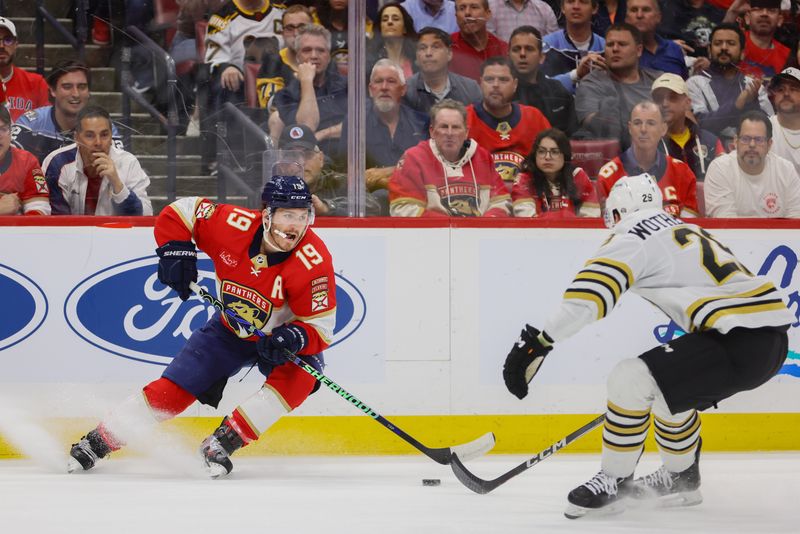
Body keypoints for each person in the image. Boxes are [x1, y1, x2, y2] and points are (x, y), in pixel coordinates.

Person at [502, 172, 792, 519]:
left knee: (630, 379)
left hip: (738, 339)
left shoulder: (633, 233)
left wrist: (540, 341)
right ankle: (681, 477)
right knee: (668, 388)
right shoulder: (684, 228)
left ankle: (615, 480)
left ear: (617, 214)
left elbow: (589, 297)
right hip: (767, 341)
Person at [67, 172, 337, 478]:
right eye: (288, 215)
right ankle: (99, 441)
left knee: (302, 376)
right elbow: (181, 211)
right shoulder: (231, 224)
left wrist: (293, 336)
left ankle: (223, 442)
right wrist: (175, 249)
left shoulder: (313, 261)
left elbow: (321, 327)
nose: (296, 226)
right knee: (173, 392)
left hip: (276, 341)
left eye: (304, 216)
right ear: (266, 215)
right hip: (228, 331)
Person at [389, 98, 510, 217]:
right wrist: (448, 228)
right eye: (444, 127)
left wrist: (484, 226)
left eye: (456, 127)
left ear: (466, 132)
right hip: (434, 235)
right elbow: (404, 208)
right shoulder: (414, 158)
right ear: (432, 131)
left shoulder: (483, 157)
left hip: (478, 234)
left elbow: (501, 203)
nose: (450, 133)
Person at [339, 59, 428, 196]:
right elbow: (349, 175)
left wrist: (385, 172)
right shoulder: (355, 123)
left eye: (391, 81)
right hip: (370, 201)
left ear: (403, 89)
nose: (384, 87)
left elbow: (428, 168)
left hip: (415, 196)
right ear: (370, 89)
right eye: (379, 81)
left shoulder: (420, 123)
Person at [43, 105, 152, 216]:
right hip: (71, 233)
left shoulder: (128, 163)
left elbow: (145, 215)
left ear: (111, 137)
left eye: (104, 135)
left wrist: (117, 184)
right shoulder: (57, 162)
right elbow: (56, 221)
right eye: (90, 136)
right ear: (76, 138)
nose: (98, 142)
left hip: (115, 232)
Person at [597, 101, 699, 217]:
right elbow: (602, 230)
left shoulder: (682, 173)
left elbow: (690, 225)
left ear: (663, 129)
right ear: (630, 128)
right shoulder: (608, 176)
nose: (643, 129)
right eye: (637, 123)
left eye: (651, 123)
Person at [12, 60, 124, 164]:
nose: (75, 94)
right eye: (67, 87)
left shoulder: (103, 126)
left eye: (82, 87)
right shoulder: (31, 122)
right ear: (52, 90)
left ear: (88, 91)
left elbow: (122, 168)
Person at [466, 56, 551, 188]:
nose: (495, 85)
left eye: (503, 80)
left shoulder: (534, 117)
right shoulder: (464, 119)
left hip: (528, 196)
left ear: (515, 84)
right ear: (481, 83)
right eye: (489, 79)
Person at [574, 23, 662, 150]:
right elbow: (593, 126)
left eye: (622, 44)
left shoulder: (658, 80)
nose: (615, 49)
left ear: (639, 50)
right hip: (618, 156)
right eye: (610, 45)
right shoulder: (592, 83)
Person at [704, 110, 800, 218]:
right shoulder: (720, 169)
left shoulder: (786, 170)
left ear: (769, 145)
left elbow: (796, 222)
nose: (752, 145)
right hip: (732, 234)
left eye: (759, 140)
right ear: (736, 141)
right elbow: (726, 224)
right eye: (745, 139)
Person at [686, 23, 774, 139]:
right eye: (718, 43)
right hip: (711, 152)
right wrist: (737, 106)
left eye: (731, 43)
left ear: (743, 53)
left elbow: (769, 127)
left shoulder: (753, 85)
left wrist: (753, 104)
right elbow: (698, 124)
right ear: (709, 50)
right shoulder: (694, 83)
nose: (724, 47)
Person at [271, 24, 348, 153]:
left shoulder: (348, 86)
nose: (314, 56)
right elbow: (307, 127)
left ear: (329, 57)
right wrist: (306, 82)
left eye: (321, 50)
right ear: (297, 57)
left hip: (348, 159)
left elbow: (360, 123)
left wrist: (322, 134)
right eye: (307, 50)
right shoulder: (286, 95)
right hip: (309, 163)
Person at [282, 123, 386, 216]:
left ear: (321, 159)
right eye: (293, 156)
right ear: (281, 164)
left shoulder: (339, 182)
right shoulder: (273, 189)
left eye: (307, 155)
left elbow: (372, 206)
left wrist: (327, 207)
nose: (301, 162)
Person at [511, 128, 600, 218]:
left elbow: (591, 217)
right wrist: (565, 217)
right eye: (542, 151)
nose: (547, 157)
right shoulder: (524, 179)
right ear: (535, 155)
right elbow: (526, 221)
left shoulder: (578, 176)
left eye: (554, 152)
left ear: (565, 155)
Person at [651, 73, 724, 181]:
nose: (665, 103)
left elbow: (725, 180)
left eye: (672, 97)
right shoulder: (647, 145)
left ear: (688, 103)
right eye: (659, 99)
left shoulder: (710, 142)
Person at [509, 25, 579, 135]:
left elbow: (575, 133)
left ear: (541, 57)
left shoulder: (557, 91)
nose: (522, 54)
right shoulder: (503, 93)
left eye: (529, 49)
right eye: (516, 49)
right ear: (509, 56)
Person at [403, 27, 482, 114]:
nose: (428, 53)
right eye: (423, 48)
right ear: (416, 57)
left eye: (435, 47)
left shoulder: (470, 89)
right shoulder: (405, 90)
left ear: (449, 54)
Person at [541, 0, 606, 94]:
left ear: (595, 8)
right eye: (570, 1)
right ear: (562, 8)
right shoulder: (547, 45)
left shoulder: (605, 47)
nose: (576, 6)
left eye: (583, 2)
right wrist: (576, 74)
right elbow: (540, 87)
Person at [256, 5, 314, 109]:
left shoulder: (324, 61)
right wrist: (305, 82)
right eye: (289, 28)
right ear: (282, 33)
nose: (296, 34)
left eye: (302, 27)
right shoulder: (272, 63)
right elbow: (273, 106)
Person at [0, 106, 49, 216]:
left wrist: (25, 228)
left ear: (11, 132)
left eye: (3, 129)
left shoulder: (26, 161)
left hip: (14, 231)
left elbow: (40, 206)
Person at [0, 17, 49, 121]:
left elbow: (46, 126)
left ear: (15, 45)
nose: (1, 46)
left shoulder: (36, 84)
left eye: (7, 40)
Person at [624, 0, 688, 78]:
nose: (639, 15)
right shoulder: (618, 51)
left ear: (658, 17)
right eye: (634, 10)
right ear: (626, 18)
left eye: (646, 10)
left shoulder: (674, 49)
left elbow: (683, 85)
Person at [450, 0, 509, 81]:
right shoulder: (446, 47)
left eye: (474, 7)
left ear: (487, 14)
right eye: (462, 8)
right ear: (456, 16)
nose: (467, 13)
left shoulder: (503, 49)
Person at [367, 2, 418, 79]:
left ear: (405, 28)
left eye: (395, 19)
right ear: (380, 28)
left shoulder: (416, 58)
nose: (390, 22)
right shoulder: (370, 59)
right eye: (385, 20)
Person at [740, 0, 789, 79]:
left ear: (780, 20)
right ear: (747, 18)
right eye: (758, 9)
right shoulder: (733, 43)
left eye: (771, 10)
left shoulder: (788, 56)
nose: (764, 14)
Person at [767, 67, 800, 175]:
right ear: (773, 95)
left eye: (793, 89)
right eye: (780, 89)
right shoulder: (763, 129)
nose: (786, 93)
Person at [487, 0, 559, 42]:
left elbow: (553, 46)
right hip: (501, 64)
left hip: (538, 66)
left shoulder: (544, 9)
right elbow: (489, 44)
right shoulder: (490, 8)